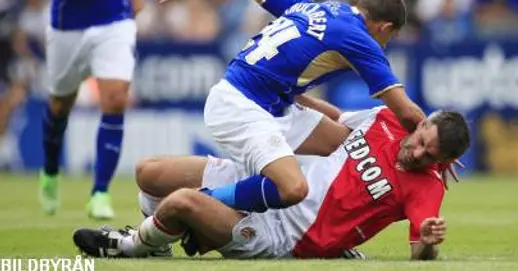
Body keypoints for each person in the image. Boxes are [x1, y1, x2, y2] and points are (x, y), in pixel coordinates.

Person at [140, 0, 428, 214]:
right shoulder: (360, 39)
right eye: (390, 37)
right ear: (384, 27)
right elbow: (405, 111)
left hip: (265, 101)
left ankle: (319, 226)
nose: (386, 45)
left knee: (349, 146)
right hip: (243, 107)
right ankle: (188, 206)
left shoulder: (315, 7)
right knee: (292, 188)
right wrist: (437, 147)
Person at [72, 106, 471, 260]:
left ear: (445, 162)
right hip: (272, 179)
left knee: (180, 202)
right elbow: (338, 119)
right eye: (421, 142)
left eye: (430, 156)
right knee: (149, 172)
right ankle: (158, 247)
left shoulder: (428, 185)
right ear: (421, 123)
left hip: (283, 234)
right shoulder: (384, 118)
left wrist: (430, 243)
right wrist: (297, 96)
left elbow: (420, 250)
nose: (418, 154)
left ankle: (127, 246)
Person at [23, 0, 144, 219]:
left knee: (116, 99)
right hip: (68, 26)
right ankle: (51, 170)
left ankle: (100, 193)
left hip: (116, 21)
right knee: (60, 104)